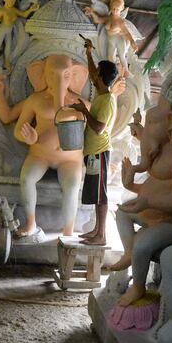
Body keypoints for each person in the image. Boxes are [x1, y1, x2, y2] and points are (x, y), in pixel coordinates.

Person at [70, 37, 119, 245]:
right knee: (96, 194)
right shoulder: (101, 92)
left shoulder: (107, 100)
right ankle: (96, 231)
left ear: (101, 76)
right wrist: (89, 53)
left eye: (96, 72)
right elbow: (91, 72)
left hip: (100, 151)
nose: (92, 74)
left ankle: (102, 235)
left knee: (102, 195)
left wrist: (83, 111)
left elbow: (99, 128)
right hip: (92, 152)